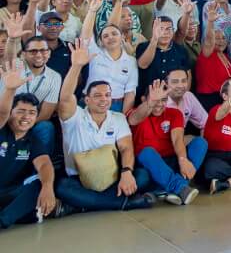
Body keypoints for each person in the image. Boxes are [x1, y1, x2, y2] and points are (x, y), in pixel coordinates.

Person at [55, 39, 154, 212]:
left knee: (142, 176)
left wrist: (126, 172)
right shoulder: (75, 116)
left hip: (112, 177)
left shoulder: (118, 118)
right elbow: (64, 98)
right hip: (80, 179)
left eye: (107, 95)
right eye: (98, 96)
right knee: (62, 187)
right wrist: (76, 66)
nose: (104, 99)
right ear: (87, 99)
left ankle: (83, 206)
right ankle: (124, 203)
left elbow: (126, 149)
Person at [128, 80, 206, 206]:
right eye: (155, 100)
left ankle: (172, 188)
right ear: (144, 99)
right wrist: (150, 103)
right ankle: (180, 188)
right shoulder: (137, 112)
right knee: (145, 161)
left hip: (170, 161)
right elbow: (133, 119)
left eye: (163, 100)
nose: (159, 104)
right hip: (147, 164)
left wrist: (182, 159)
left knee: (200, 143)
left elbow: (177, 139)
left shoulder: (174, 113)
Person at [0, 67, 58, 229]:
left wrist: (48, 187)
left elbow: (44, 164)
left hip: (10, 193)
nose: (26, 117)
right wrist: (10, 89)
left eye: (32, 113)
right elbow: (2, 113)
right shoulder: (2, 129)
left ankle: (3, 220)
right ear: (11, 112)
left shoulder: (32, 139)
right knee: (29, 215)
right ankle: (20, 215)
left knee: (41, 183)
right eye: (21, 111)